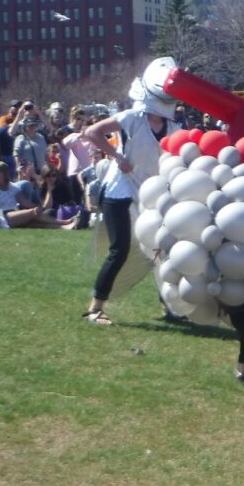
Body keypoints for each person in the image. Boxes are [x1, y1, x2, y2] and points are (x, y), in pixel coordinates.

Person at [81, 59, 178, 325]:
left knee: (159, 250)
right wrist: (116, 156)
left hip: (148, 196)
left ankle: (169, 305)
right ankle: (95, 308)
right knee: (120, 250)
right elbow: (92, 132)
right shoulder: (132, 119)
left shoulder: (173, 128)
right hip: (119, 193)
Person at [0, 161, 75, 229]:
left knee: (35, 223)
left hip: (15, 213)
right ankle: (63, 221)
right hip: (0, 216)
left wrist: (39, 208)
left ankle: (63, 227)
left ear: (5, 174)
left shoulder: (12, 188)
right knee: (33, 212)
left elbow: (26, 202)